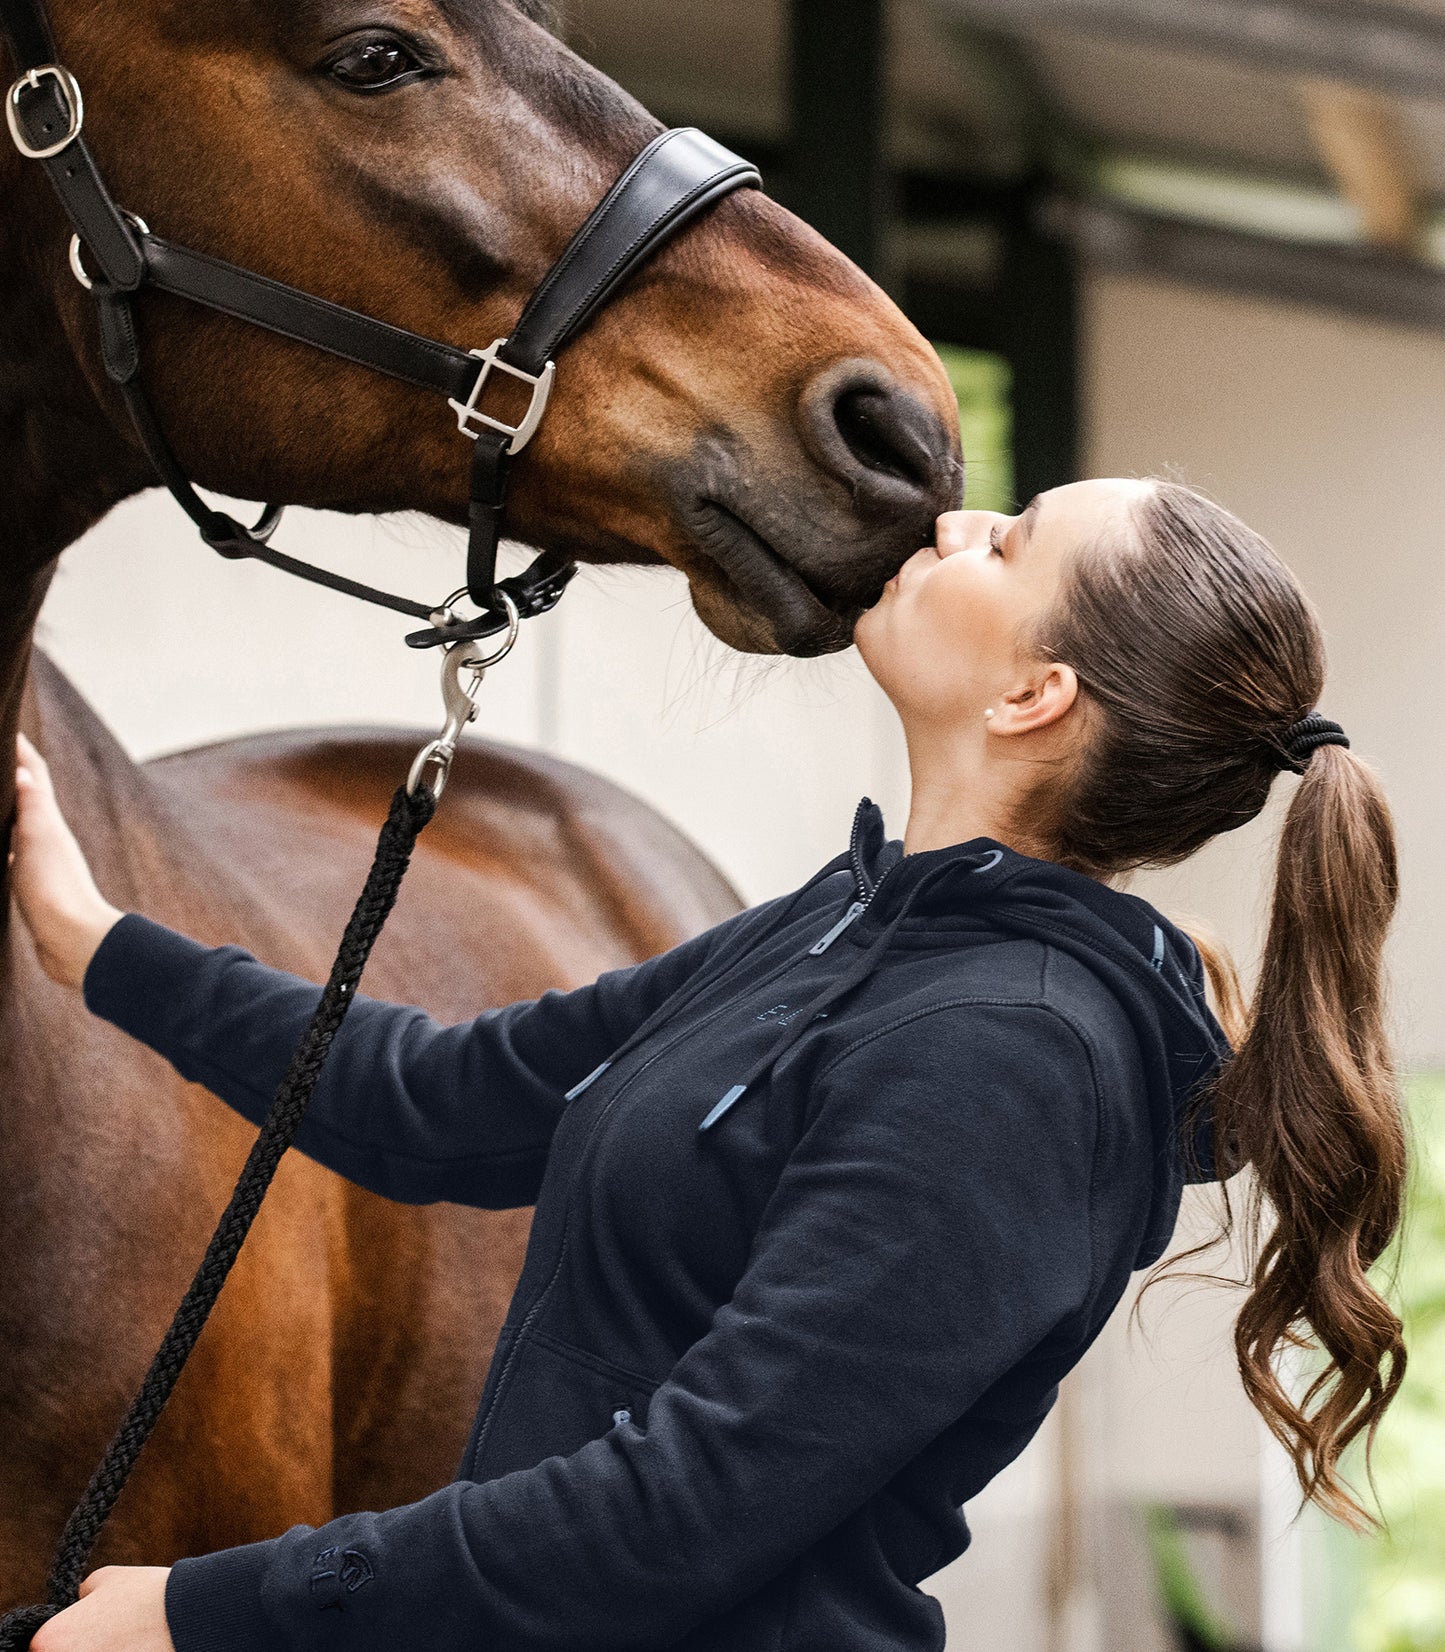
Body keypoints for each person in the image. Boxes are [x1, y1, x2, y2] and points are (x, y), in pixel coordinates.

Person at [9, 477, 1406, 1652]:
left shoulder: (1014, 1059)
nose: (956, 518)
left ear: (1037, 692)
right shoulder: (840, 922)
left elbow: (675, 1513)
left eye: (1012, 538)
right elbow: (436, 1103)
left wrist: (212, 1609)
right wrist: (95, 941)